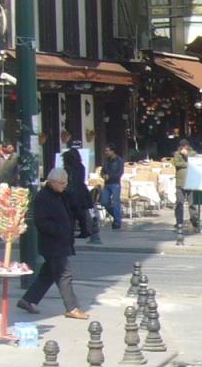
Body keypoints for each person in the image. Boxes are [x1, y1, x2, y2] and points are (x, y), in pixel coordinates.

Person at [16, 168, 89, 320]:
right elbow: (41, 222)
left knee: (48, 274)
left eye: (66, 183)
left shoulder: (61, 195)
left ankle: (28, 300)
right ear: (53, 182)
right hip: (53, 243)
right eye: (62, 183)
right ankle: (72, 308)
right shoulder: (43, 197)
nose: (65, 185)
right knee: (64, 275)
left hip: (62, 241)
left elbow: (73, 209)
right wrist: (60, 230)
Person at [60, 137, 92, 238]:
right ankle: (84, 230)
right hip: (81, 191)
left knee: (70, 213)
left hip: (71, 192)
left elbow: (68, 180)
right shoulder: (81, 166)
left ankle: (71, 230)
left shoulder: (68, 168)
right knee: (80, 213)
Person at [172, 139, 196, 230]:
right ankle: (179, 222)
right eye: (182, 146)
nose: (184, 148)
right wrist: (186, 164)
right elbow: (176, 164)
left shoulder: (192, 153)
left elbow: (194, 163)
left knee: (192, 203)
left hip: (190, 181)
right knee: (179, 203)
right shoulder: (177, 154)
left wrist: (186, 155)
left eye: (185, 146)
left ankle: (194, 220)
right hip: (180, 182)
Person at [100, 145, 124, 229]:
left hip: (115, 184)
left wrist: (110, 176)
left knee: (116, 202)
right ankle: (117, 216)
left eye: (107, 150)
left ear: (112, 151)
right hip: (106, 184)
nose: (106, 152)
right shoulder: (106, 161)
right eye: (105, 151)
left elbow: (120, 173)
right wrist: (103, 175)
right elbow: (102, 171)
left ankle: (117, 221)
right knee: (104, 202)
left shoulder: (119, 160)